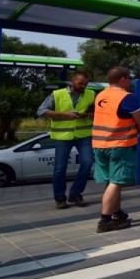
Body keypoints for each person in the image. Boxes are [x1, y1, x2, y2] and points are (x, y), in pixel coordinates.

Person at [92, 67, 140, 233]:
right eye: (129, 78)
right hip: (119, 145)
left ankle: (117, 213)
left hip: (99, 145)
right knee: (116, 181)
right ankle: (105, 220)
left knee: (110, 180)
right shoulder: (126, 97)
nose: (130, 81)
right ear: (123, 79)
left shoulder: (101, 95)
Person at [36, 71, 94, 210]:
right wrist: (64, 115)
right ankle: (60, 198)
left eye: (85, 84)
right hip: (63, 136)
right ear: (72, 81)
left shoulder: (91, 94)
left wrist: (89, 114)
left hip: (84, 134)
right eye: (80, 83)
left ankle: (75, 193)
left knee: (87, 163)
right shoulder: (57, 94)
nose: (83, 86)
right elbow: (41, 111)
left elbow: (96, 111)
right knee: (60, 168)